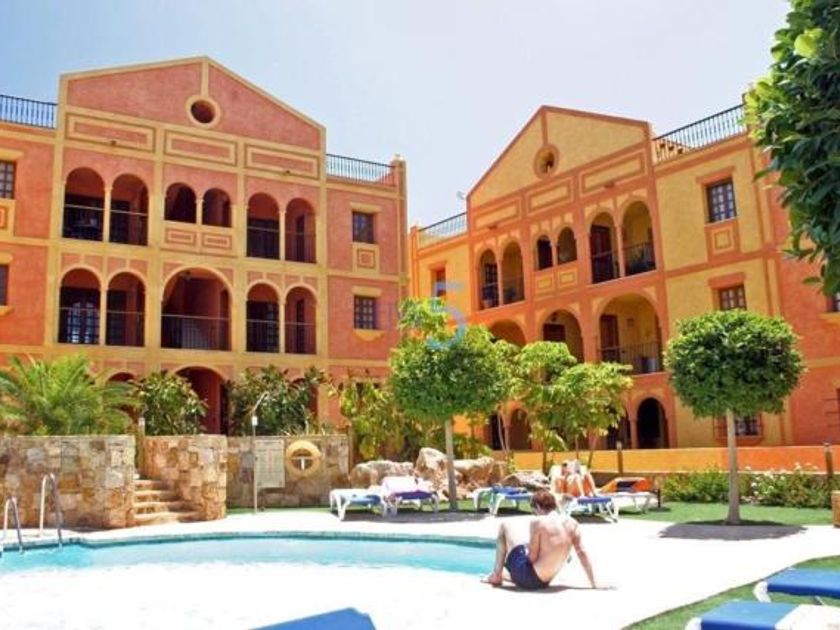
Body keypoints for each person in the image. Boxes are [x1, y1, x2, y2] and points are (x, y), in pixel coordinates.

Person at [484, 490, 597, 590]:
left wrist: (525, 551)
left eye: (534, 512)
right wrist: (593, 583)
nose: (535, 515)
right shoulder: (572, 523)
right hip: (545, 581)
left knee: (504, 526)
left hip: (528, 578)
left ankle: (496, 575)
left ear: (538, 506)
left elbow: (532, 558)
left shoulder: (538, 522)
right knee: (523, 546)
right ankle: (501, 574)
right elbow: (582, 553)